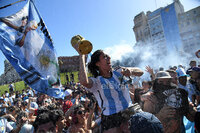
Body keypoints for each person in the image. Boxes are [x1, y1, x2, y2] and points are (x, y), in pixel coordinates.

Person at [75, 48, 144, 133]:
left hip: (129, 112)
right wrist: (81, 55)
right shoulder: (96, 81)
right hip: (111, 118)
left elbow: (141, 72)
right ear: (98, 63)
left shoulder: (118, 71)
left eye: (108, 56)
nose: (109, 58)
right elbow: (83, 81)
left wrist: (131, 71)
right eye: (105, 57)